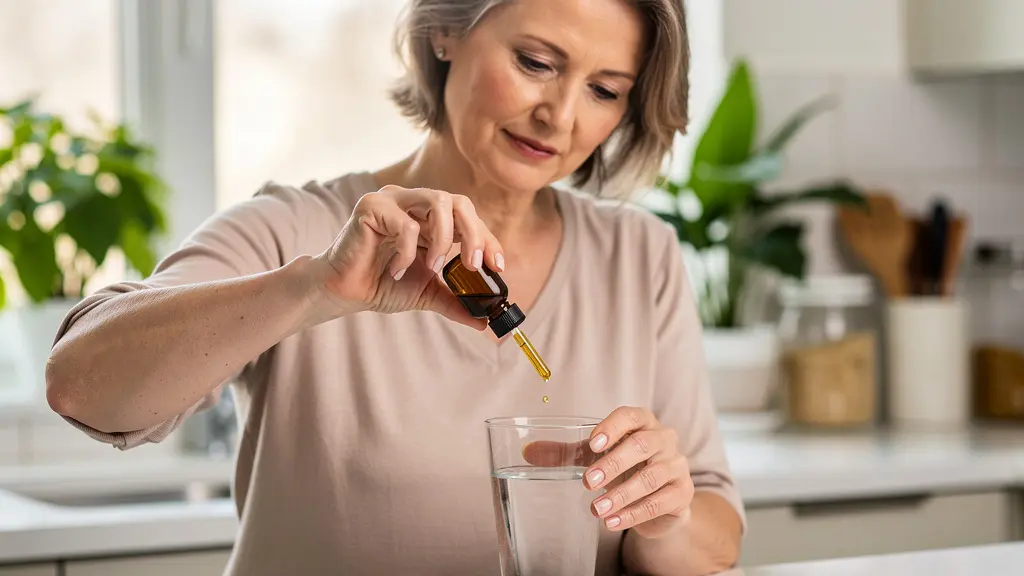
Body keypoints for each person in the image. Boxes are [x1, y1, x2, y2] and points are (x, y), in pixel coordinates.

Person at [44, 0, 745, 574]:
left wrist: (665, 514)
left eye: (604, 91)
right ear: (445, 30)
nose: (560, 116)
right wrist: (315, 289)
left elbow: (716, 536)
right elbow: (80, 385)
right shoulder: (298, 230)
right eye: (535, 62)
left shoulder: (638, 255)